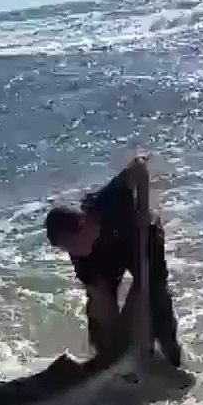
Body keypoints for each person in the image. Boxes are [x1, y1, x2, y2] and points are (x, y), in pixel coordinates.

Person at [44, 157, 183, 367]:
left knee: (152, 295)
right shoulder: (81, 253)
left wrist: (142, 210)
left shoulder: (107, 202)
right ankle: (108, 359)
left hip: (139, 237)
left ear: (82, 224)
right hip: (106, 253)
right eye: (65, 248)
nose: (70, 253)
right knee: (99, 304)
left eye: (69, 244)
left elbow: (138, 167)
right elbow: (99, 295)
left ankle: (171, 358)